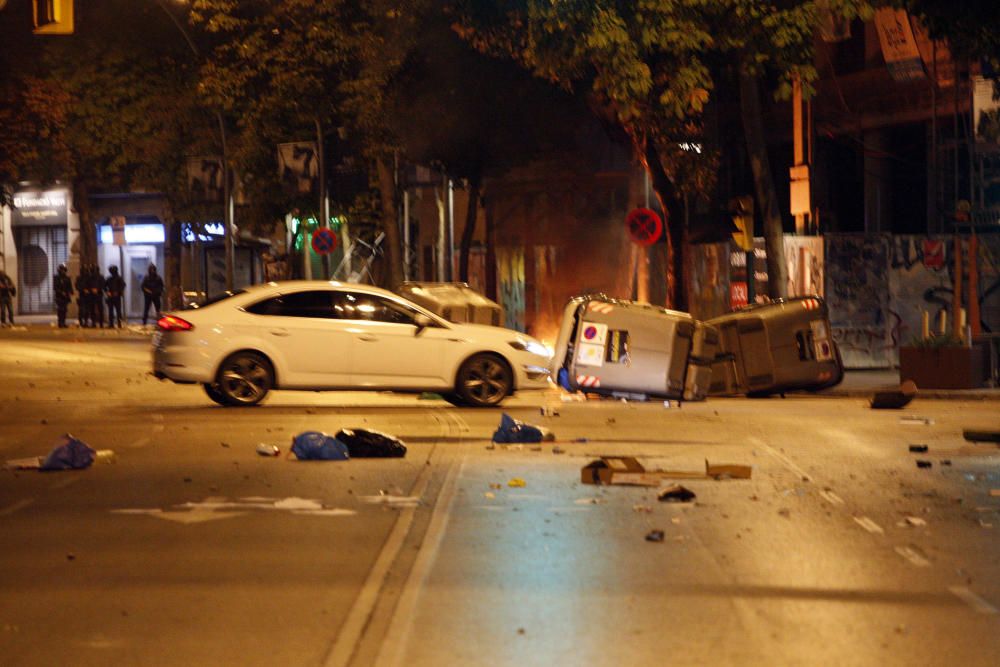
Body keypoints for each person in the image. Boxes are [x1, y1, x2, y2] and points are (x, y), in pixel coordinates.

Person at [53, 264, 73, 328]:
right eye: (61, 270)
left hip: (65, 296)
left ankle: (63, 322)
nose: (63, 271)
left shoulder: (67, 278)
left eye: (64, 270)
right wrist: (61, 292)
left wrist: (70, 292)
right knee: (60, 309)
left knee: (64, 310)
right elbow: (55, 287)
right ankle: (60, 322)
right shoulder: (56, 278)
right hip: (59, 296)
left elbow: (70, 287)